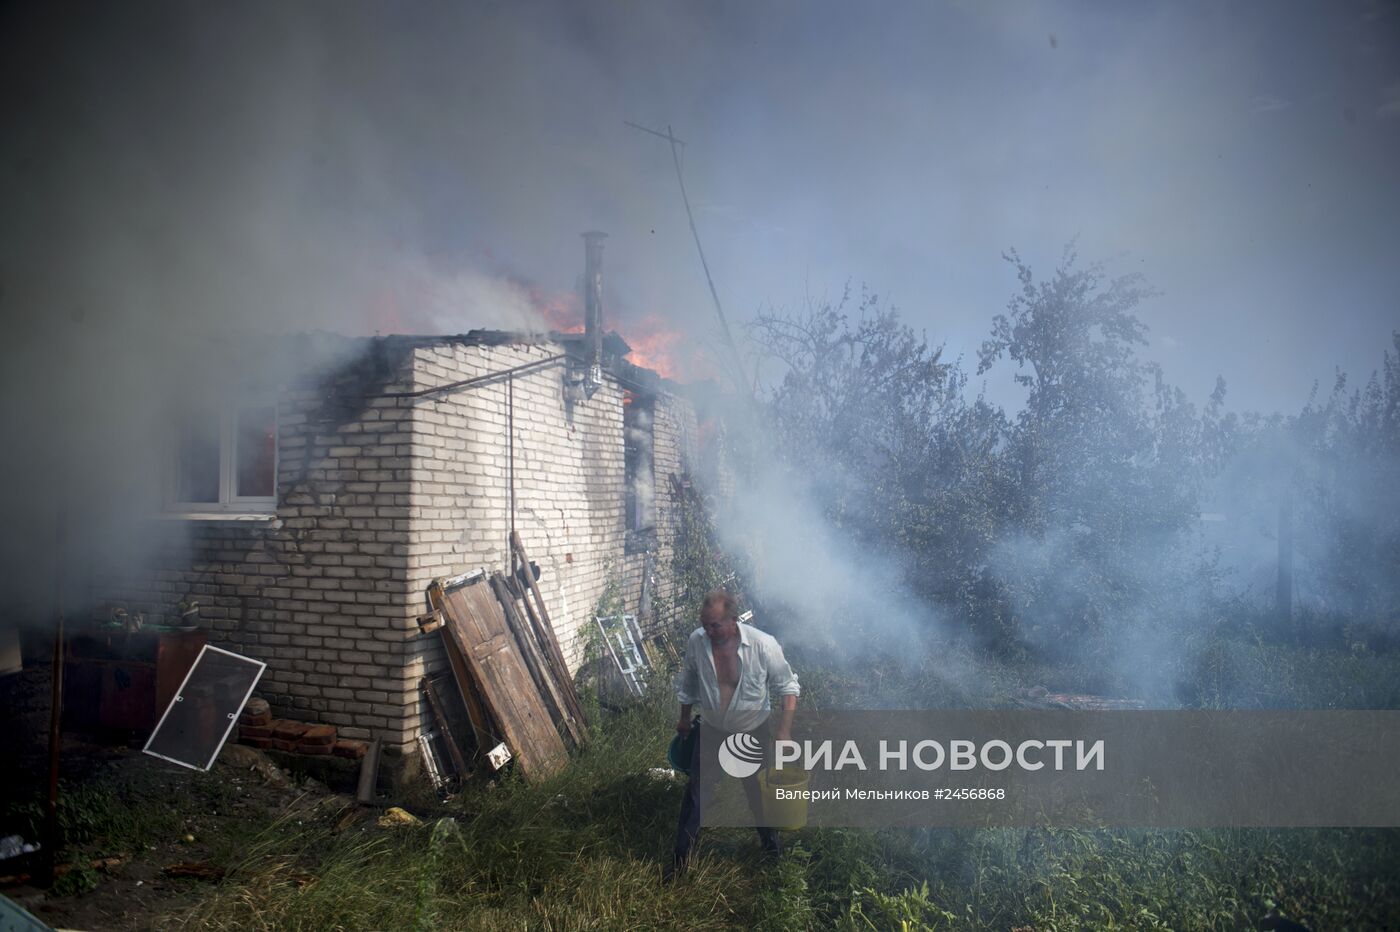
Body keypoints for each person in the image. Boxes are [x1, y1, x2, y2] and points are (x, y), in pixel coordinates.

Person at [669, 590, 800, 878]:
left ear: (733, 620)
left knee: (758, 796)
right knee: (695, 796)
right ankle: (679, 864)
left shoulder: (764, 645)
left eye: (715, 625)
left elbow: (788, 688)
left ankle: (773, 856)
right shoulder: (697, 641)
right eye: (704, 624)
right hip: (712, 731)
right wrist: (684, 718)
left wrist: (784, 731)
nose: (708, 631)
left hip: (751, 733)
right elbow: (689, 681)